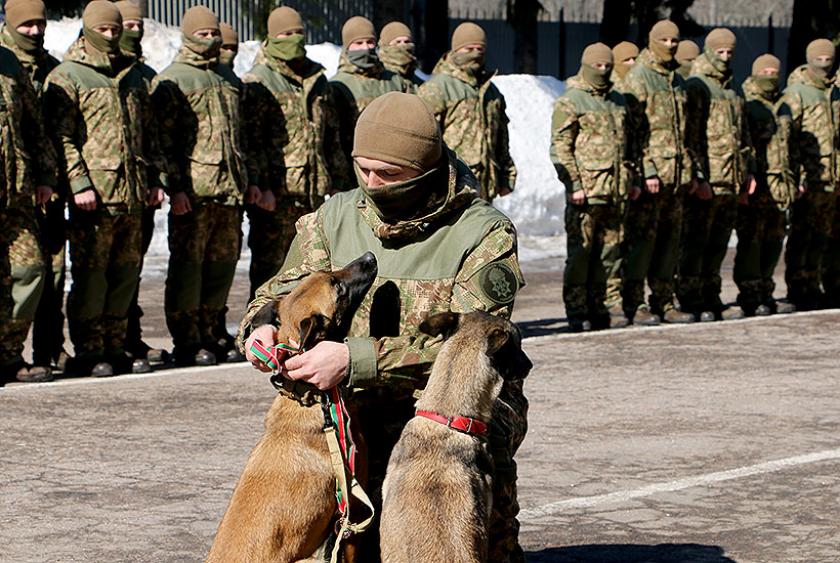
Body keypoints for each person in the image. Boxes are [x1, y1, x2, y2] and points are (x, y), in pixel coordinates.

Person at [240, 92, 529, 563]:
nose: (372, 183)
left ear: (427, 167)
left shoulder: (482, 232)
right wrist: (263, 327)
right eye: (362, 168)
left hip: (440, 410)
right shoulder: (333, 217)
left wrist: (357, 359)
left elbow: (474, 344)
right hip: (347, 405)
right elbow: (282, 293)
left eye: (390, 174)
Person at [44, 0, 165, 377]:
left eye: (116, 30)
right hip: (92, 199)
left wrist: (153, 180)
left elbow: (148, 136)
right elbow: (60, 137)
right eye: (104, 30)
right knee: (93, 278)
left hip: (131, 195)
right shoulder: (68, 76)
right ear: (88, 29)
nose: (111, 36)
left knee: (125, 275)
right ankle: (89, 349)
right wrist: (79, 182)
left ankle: (116, 346)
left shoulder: (133, 76)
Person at [152, 6, 253, 367]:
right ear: (188, 36)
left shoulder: (228, 80)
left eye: (214, 34)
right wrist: (175, 187)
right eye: (203, 34)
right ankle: (187, 338)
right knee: (189, 268)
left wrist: (248, 180)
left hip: (229, 190)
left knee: (221, 265)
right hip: (194, 192)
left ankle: (212, 330)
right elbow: (164, 142)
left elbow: (242, 137)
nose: (210, 40)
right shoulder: (173, 80)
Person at [243, 6, 349, 302]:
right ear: (272, 37)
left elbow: (331, 137)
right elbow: (252, 140)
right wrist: (261, 186)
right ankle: (263, 332)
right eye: (286, 34)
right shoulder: (259, 80)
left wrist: (338, 181)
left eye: (299, 33)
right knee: (270, 271)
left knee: (311, 268)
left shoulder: (317, 79)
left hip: (313, 195)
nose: (294, 39)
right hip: (277, 196)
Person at [551, 43, 637, 332]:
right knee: (581, 253)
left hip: (616, 191)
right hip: (586, 193)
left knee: (611, 252)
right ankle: (577, 309)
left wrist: (632, 179)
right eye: (598, 66)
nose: (603, 71)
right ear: (587, 65)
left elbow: (630, 146)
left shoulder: (617, 101)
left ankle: (605, 304)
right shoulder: (571, 101)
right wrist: (574, 183)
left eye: (607, 66)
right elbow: (561, 147)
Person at [0, 0, 65, 376]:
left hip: (17, 193)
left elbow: (33, 127)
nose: (34, 31)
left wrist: (44, 177)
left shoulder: (9, 65)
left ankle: (8, 354)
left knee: (30, 269)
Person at [619, 20, 697, 325]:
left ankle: (664, 300)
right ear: (652, 41)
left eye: (674, 39)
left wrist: (688, 170)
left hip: (675, 177)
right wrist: (646, 170)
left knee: (669, 241)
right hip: (651, 177)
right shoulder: (640, 78)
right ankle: (634, 302)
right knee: (643, 243)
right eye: (663, 39)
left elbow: (684, 131)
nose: (670, 44)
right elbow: (633, 131)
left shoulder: (676, 80)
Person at [680, 28, 751, 321]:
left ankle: (711, 293)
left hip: (731, 179)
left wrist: (748, 172)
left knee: (719, 243)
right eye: (719, 52)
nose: (725, 58)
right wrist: (699, 175)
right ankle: (689, 296)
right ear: (709, 51)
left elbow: (742, 134)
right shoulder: (697, 84)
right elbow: (690, 134)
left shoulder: (732, 87)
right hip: (708, 179)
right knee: (696, 242)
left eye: (730, 53)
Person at [112, 0, 167, 366]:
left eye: (137, 24)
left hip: (140, 189)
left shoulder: (145, 76)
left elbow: (155, 136)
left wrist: (156, 179)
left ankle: (131, 336)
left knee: (132, 268)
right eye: (125, 24)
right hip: (108, 189)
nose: (133, 31)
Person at [418, 22, 516, 202]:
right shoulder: (437, 89)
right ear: (456, 50)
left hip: (485, 186)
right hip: (448, 188)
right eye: (468, 48)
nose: (475, 54)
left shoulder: (491, 92)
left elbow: (501, 136)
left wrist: (506, 175)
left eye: (480, 49)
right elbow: (422, 139)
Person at [734, 54, 797, 316]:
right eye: (765, 71)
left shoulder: (784, 105)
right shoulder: (746, 103)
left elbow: (792, 146)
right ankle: (749, 292)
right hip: (757, 183)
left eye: (775, 72)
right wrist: (746, 176)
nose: (770, 76)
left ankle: (766, 289)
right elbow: (741, 143)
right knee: (752, 239)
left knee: (774, 238)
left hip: (780, 184)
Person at [780, 39, 837, 311]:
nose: (824, 63)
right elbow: (787, 140)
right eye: (819, 58)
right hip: (809, 178)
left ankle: (823, 284)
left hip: (833, 179)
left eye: (829, 58)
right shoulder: (796, 92)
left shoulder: (835, 92)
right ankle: (799, 287)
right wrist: (795, 176)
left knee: (826, 236)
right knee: (803, 235)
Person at [330, 16, 412, 180]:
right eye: (358, 43)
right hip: (355, 172)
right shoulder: (338, 85)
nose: (366, 48)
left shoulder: (394, 80)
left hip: (395, 168)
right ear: (347, 46)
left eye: (370, 42)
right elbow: (333, 137)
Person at [378, 20, 423, 86]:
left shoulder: (417, 81)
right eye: (398, 42)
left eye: (406, 42)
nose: (403, 46)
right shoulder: (380, 77)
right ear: (385, 46)